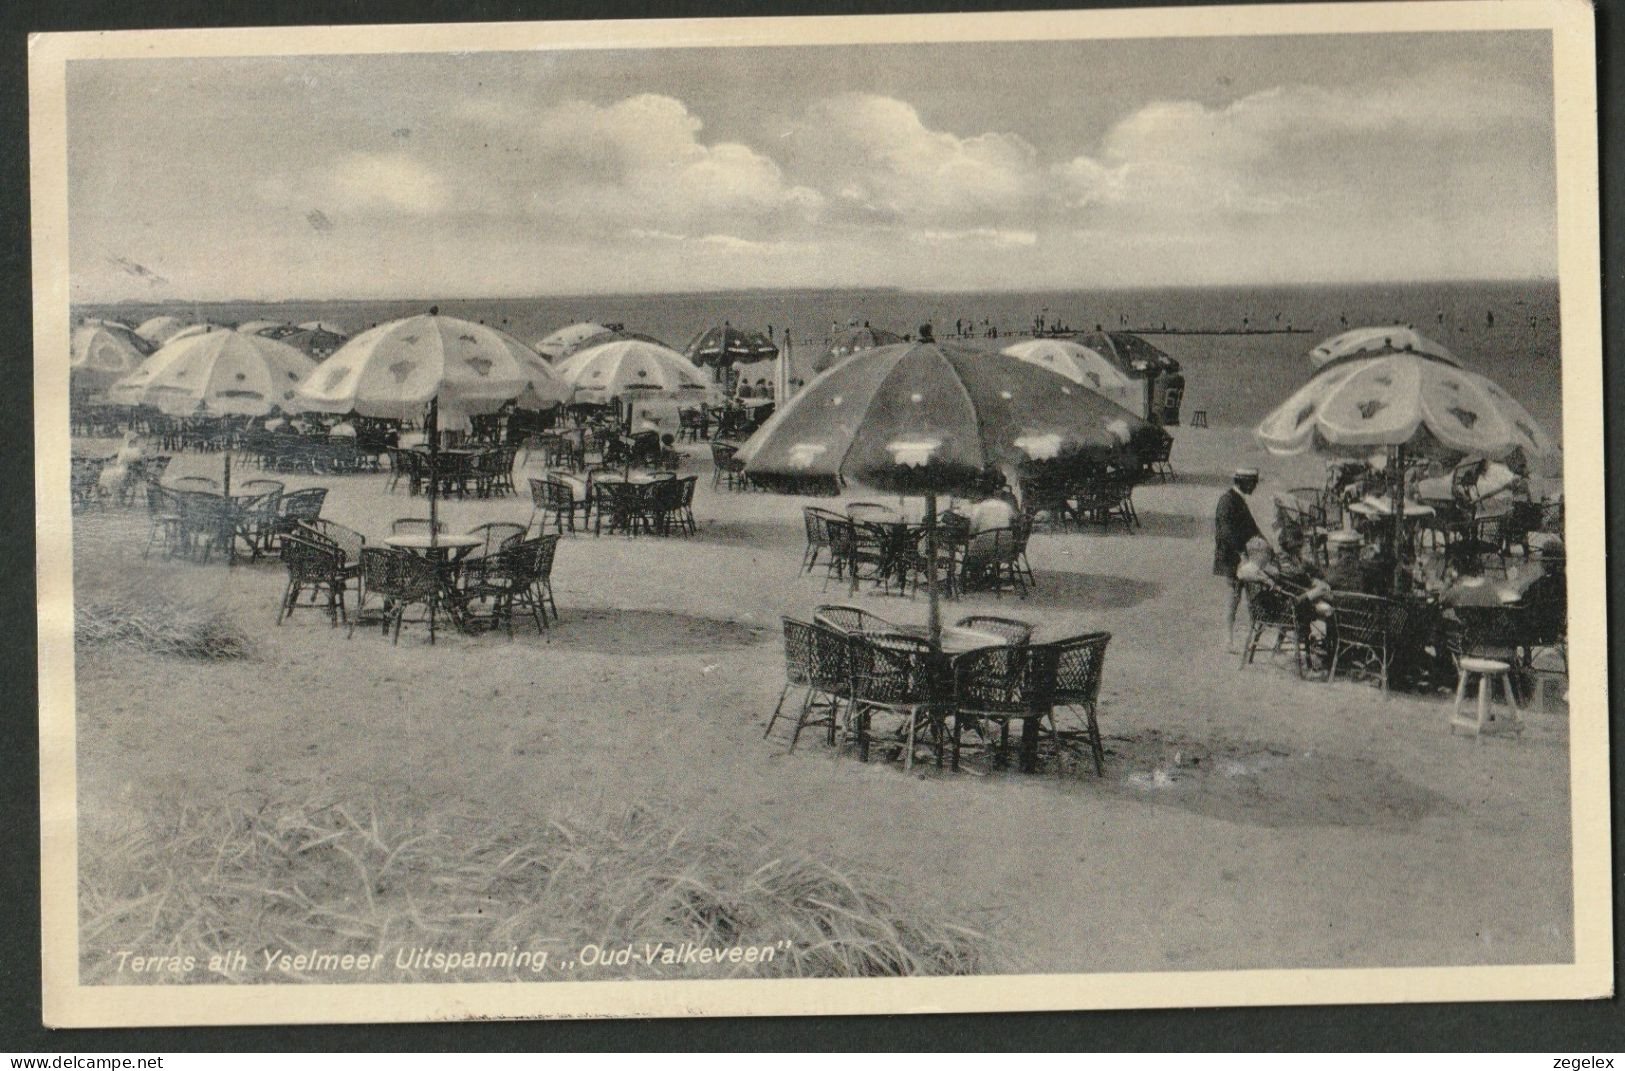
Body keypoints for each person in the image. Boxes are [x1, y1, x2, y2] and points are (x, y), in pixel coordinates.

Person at [1214, 467, 1263, 650]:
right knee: (1234, 597)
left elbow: (1252, 527)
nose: (1254, 487)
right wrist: (1241, 553)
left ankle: (1251, 637)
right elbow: (1226, 532)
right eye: (1253, 483)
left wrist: (1264, 543)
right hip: (1231, 557)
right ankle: (1228, 638)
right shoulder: (1227, 501)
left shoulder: (1238, 500)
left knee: (1249, 596)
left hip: (1242, 556)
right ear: (1243, 482)